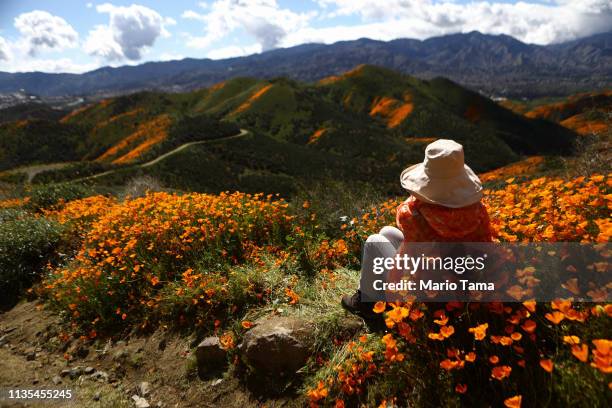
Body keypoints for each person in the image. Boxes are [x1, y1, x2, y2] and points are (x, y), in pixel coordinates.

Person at [341, 139, 494, 315]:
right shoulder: (478, 210)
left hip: (428, 292)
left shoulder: (414, 215)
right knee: (387, 232)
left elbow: (407, 262)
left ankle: (366, 302)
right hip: (465, 281)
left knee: (374, 241)